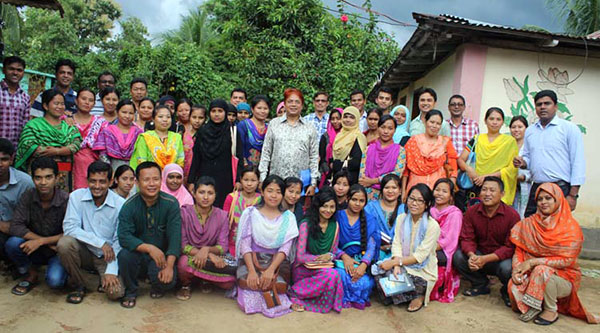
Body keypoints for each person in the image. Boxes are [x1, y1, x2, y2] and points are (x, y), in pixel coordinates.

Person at [509, 183, 600, 325]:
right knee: (514, 284)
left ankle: (551, 310)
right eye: (540, 199)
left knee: (542, 271)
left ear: (557, 200)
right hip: (532, 273)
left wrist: (533, 262)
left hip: (562, 278)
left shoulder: (570, 228)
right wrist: (517, 269)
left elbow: (566, 261)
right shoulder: (529, 224)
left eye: (548, 198)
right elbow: (520, 250)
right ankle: (534, 304)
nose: (543, 202)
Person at [57, 161, 125, 304]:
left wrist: (111, 270)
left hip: (108, 257)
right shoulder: (76, 197)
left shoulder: (120, 204)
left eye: (102, 181)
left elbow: (120, 239)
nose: (97, 186)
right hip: (85, 252)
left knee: (115, 293)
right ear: (87, 180)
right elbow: (69, 227)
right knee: (65, 243)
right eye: (93, 181)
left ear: (111, 182)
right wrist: (100, 243)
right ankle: (79, 284)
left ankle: (94, 281)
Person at [117, 161, 182, 308]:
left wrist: (169, 266)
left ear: (161, 180)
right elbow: (124, 236)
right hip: (139, 254)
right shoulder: (129, 206)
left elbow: (175, 237)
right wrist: (149, 248)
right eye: (146, 180)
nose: (152, 184)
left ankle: (156, 285)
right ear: (137, 182)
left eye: (156, 179)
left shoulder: (171, 203)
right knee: (124, 255)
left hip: (161, 257)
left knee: (167, 282)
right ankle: (131, 291)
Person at [235, 175, 299, 318]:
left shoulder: (289, 217)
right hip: (252, 261)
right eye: (270, 190)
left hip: (276, 264)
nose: (274, 195)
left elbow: (285, 249)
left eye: (278, 192)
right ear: (262, 192)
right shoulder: (250, 213)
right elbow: (245, 244)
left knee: (276, 291)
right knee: (249, 294)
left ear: (282, 195)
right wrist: (251, 271)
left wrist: (270, 270)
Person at [513, 90, 585, 217]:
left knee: (555, 228)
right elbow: (528, 157)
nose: (543, 107)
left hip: (560, 187)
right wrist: (523, 162)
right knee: (531, 223)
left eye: (547, 103)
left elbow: (578, 162)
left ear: (555, 106)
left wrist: (573, 195)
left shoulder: (569, 129)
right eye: (539, 104)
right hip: (537, 187)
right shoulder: (530, 131)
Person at [453, 176, 520, 307]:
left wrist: (485, 259)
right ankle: (480, 284)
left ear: (502, 194)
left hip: (500, 259)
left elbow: (510, 247)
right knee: (458, 256)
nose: (487, 194)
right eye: (484, 190)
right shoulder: (472, 212)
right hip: (479, 255)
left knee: (508, 268)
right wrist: (472, 256)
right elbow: (467, 238)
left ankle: (506, 291)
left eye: (492, 190)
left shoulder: (512, 216)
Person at [6, 157, 68, 295]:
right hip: (35, 249)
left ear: (57, 178)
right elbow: (15, 226)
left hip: (57, 251)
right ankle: (31, 273)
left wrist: (41, 241)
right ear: (33, 179)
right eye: (38, 178)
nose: (43, 182)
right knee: (12, 243)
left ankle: (64, 271)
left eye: (48, 177)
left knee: (55, 281)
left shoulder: (66, 199)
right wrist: (41, 242)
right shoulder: (28, 196)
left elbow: (71, 233)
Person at [377, 183, 440, 311]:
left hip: (422, 269)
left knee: (417, 280)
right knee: (379, 271)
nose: (414, 203)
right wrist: (396, 265)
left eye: (420, 201)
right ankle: (406, 294)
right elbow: (397, 244)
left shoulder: (432, 226)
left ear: (427, 204)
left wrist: (396, 262)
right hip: (402, 263)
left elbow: (420, 257)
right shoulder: (402, 218)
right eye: (412, 198)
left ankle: (418, 295)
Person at [176, 176, 236, 300]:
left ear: (215, 195)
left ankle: (203, 279)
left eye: (210, 193)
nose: (205, 197)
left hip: (212, 259)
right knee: (183, 263)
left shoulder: (222, 216)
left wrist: (206, 250)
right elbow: (183, 245)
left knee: (230, 281)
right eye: (201, 192)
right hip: (191, 257)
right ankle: (186, 285)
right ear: (193, 193)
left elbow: (223, 247)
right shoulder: (184, 213)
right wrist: (203, 253)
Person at [290, 187, 344, 313]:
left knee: (334, 274)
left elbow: (334, 251)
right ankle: (295, 295)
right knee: (331, 274)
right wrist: (319, 259)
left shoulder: (334, 225)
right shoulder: (305, 224)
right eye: (324, 206)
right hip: (304, 268)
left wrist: (329, 256)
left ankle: (317, 302)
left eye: (332, 207)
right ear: (317, 206)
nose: (328, 210)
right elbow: (300, 256)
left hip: (323, 267)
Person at [15, 89, 82, 192]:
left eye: (62, 104)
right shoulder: (34, 125)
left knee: (61, 202)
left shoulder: (69, 126)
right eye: (56, 103)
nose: (60, 107)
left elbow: (76, 145)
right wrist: (63, 149)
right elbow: (28, 144)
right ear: (46, 106)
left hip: (63, 174)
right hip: (39, 173)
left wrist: (56, 151)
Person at [259, 88, 319, 195]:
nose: (293, 105)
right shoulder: (274, 124)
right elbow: (266, 152)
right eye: (290, 101)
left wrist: (313, 183)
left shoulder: (309, 127)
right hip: (277, 181)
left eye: (297, 102)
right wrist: (263, 178)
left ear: (302, 105)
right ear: (285, 104)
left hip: (300, 183)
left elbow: (313, 156)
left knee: (298, 210)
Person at [458, 107, 519, 205]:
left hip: (497, 187)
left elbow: (512, 168)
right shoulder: (477, 139)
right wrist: (469, 169)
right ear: (485, 121)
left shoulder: (509, 142)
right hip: (476, 184)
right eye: (491, 119)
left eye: (498, 119)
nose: (494, 122)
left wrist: (487, 177)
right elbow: (461, 159)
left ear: (503, 122)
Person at [188, 99, 243, 208]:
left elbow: (239, 156)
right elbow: (196, 158)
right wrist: (191, 181)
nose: (217, 114)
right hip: (205, 176)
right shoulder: (203, 131)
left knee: (224, 209)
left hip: (226, 179)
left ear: (225, 112)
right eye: (213, 111)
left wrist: (238, 180)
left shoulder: (232, 131)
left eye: (220, 111)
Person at [335, 184, 380, 309]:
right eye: (354, 199)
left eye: (361, 201)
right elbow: (331, 243)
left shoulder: (370, 220)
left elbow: (372, 246)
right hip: (339, 260)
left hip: (361, 261)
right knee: (340, 276)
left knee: (365, 283)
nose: (357, 204)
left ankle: (356, 299)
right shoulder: (337, 216)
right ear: (347, 199)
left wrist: (363, 265)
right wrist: (343, 257)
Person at [402, 110, 457, 199]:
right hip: (415, 188)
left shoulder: (445, 142)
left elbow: (453, 170)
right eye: (432, 122)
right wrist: (404, 191)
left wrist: (451, 193)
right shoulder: (413, 141)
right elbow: (405, 169)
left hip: (438, 191)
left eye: (438, 123)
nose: (434, 126)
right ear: (425, 122)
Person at [429, 178, 462, 303]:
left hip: (444, 250)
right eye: (437, 190)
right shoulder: (430, 210)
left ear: (451, 196)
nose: (439, 193)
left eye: (444, 191)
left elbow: (448, 240)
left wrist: (427, 249)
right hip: (428, 246)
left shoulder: (455, 213)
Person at [0, 138, 34, 260]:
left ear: (11, 159)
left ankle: (22, 268)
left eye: (3, 159)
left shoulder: (25, 183)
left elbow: (31, 220)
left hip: (19, 232)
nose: (0, 164)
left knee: (14, 244)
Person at [359, 115, 406, 200]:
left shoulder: (400, 151)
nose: (386, 131)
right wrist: (367, 183)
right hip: (367, 195)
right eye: (382, 127)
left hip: (388, 195)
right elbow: (362, 177)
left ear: (395, 130)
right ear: (378, 128)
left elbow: (397, 174)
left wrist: (373, 181)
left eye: (390, 128)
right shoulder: (368, 149)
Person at [364, 174, 405, 264]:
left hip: (399, 253)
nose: (390, 191)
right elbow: (366, 230)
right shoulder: (370, 207)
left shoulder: (405, 210)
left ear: (400, 191)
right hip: (373, 251)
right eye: (387, 188)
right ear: (382, 190)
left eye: (394, 188)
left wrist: (391, 247)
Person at [130, 105, 184, 170]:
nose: (165, 120)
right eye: (160, 117)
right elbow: (141, 162)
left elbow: (180, 162)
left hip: (172, 177)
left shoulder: (177, 137)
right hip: (150, 177)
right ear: (153, 119)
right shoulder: (145, 137)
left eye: (168, 117)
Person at [94, 99, 143, 171]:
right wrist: (109, 171)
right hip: (112, 168)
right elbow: (102, 154)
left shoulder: (138, 133)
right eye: (124, 112)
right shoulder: (107, 132)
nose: (127, 116)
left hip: (134, 168)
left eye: (131, 113)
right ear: (117, 112)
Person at [72, 88, 106, 190]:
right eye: (83, 99)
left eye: (91, 100)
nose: (87, 102)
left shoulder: (100, 122)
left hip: (92, 165)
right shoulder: (66, 120)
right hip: (70, 164)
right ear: (76, 100)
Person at [223, 166, 261, 256]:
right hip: (232, 246)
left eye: (253, 180)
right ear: (240, 180)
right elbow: (224, 223)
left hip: (255, 249)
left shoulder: (262, 200)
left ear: (258, 181)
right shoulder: (231, 198)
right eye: (246, 180)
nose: (249, 184)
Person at [328, 106, 367, 185]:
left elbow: (357, 161)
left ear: (357, 119)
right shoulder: (339, 135)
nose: (347, 120)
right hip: (337, 177)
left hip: (351, 179)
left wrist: (338, 164)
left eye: (352, 117)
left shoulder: (359, 136)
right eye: (345, 117)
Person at [0, 56, 30, 149]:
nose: (15, 73)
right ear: (4, 70)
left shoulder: (25, 97)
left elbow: (25, 125)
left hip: (15, 151)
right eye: (11, 69)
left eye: (19, 70)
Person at [237, 95, 270, 166]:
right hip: (246, 168)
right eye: (259, 108)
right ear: (252, 109)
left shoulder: (270, 127)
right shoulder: (243, 125)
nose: (262, 111)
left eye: (265, 108)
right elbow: (239, 148)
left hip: (265, 168)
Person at [510, 116, 531, 218]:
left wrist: (524, 177)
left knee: (523, 215)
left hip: (524, 186)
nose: (516, 130)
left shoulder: (530, 146)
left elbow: (535, 167)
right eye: (513, 127)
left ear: (526, 128)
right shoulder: (507, 145)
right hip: (508, 186)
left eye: (520, 127)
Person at [318, 108, 342, 185]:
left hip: (343, 173)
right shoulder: (325, 136)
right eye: (332, 119)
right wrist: (328, 171)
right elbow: (322, 157)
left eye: (338, 118)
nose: (335, 121)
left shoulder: (347, 136)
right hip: (326, 174)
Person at [183, 104, 205, 178]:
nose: (197, 121)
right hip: (185, 172)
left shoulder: (207, 136)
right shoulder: (183, 135)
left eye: (201, 118)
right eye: (194, 117)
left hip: (201, 173)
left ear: (205, 119)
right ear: (189, 117)